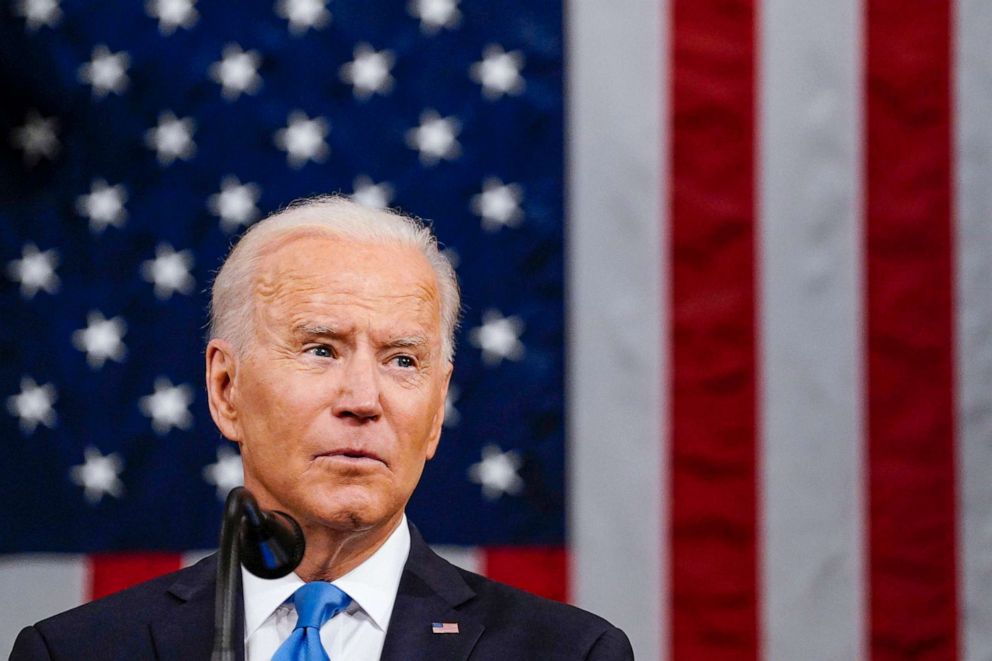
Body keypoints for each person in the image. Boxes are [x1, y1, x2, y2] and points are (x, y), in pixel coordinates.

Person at [11, 196, 633, 660]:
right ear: (226, 390)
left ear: (437, 410)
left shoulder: (570, 654)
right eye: (321, 350)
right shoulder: (72, 653)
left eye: (401, 361)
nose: (364, 399)